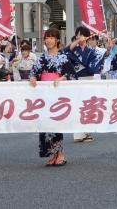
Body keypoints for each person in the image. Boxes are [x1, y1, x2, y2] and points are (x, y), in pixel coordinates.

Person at [29, 28, 75, 166]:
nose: (49, 40)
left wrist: (62, 78)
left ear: (57, 40)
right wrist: (32, 77)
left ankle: (60, 153)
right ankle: (52, 154)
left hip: (58, 95)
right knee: (46, 123)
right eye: (47, 38)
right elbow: (34, 72)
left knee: (57, 123)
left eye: (52, 38)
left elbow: (72, 75)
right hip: (44, 96)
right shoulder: (42, 58)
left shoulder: (63, 57)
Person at [64, 26, 104, 143]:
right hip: (77, 80)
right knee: (78, 106)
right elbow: (66, 52)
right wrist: (76, 41)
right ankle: (78, 134)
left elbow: (95, 65)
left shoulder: (91, 51)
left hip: (89, 78)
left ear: (87, 37)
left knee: (88, 105)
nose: (80, 37)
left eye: (82, 35)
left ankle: (86, 131)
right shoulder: (73, 49)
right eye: (78, 35)